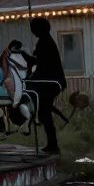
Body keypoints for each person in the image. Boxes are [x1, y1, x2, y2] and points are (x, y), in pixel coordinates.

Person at [24, 17, 67, 154]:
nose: (33, 31)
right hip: (50, 82)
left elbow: (42, 65)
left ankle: (53, 145)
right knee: (45, 113)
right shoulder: (45, 41)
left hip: (51, 83)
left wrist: (26, 58)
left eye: (34, 28)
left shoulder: (45, 43)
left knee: (44, 113)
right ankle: (52, 144)